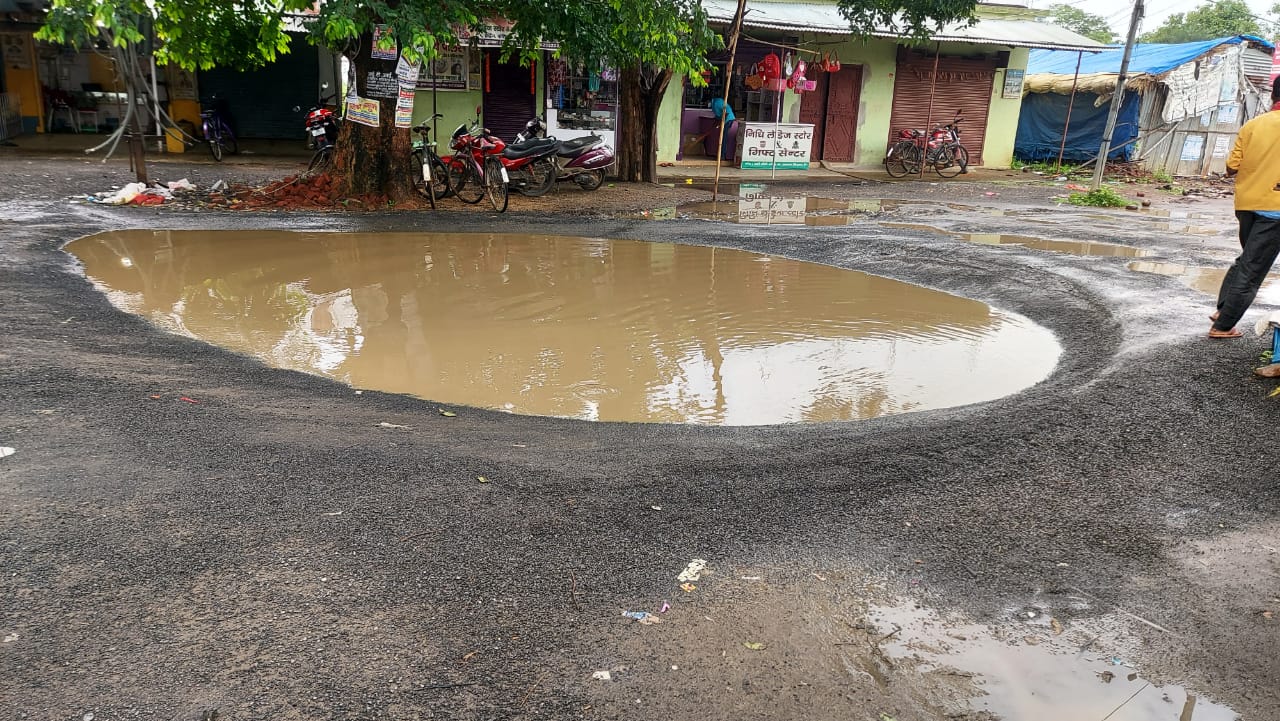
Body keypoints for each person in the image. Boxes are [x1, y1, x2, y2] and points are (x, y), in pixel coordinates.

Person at [1210, 78, 1280, 339]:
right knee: (1253, 270)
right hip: (1275, 210)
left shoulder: (1253, 125)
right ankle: (1223, 326)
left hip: (1247, 205)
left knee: (1246, 260)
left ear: (1273, 94)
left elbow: (1231, 167)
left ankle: (1222, 311)